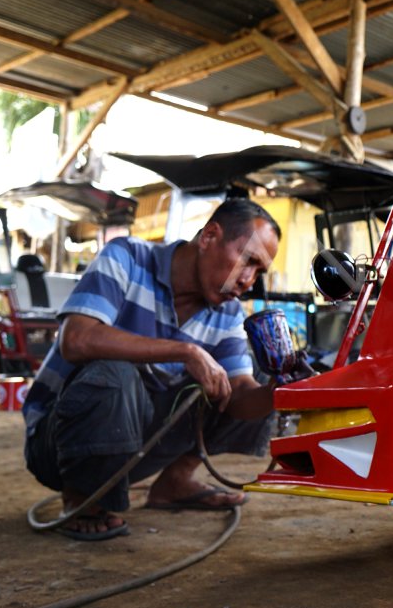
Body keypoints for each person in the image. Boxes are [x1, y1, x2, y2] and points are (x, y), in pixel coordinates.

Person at [23, 199, 282, 541]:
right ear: (209, 236)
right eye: (248, 260)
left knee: (255, 378)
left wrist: (284, 388)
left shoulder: (228, 313)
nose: (249, 280)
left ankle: (175, 481)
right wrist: (186, 351)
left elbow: (239, 397)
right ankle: (83, 495)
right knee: (116, 373)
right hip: (58, 446)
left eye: (259, 271)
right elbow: (77, 339)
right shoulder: (127, 257)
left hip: (135, 448)